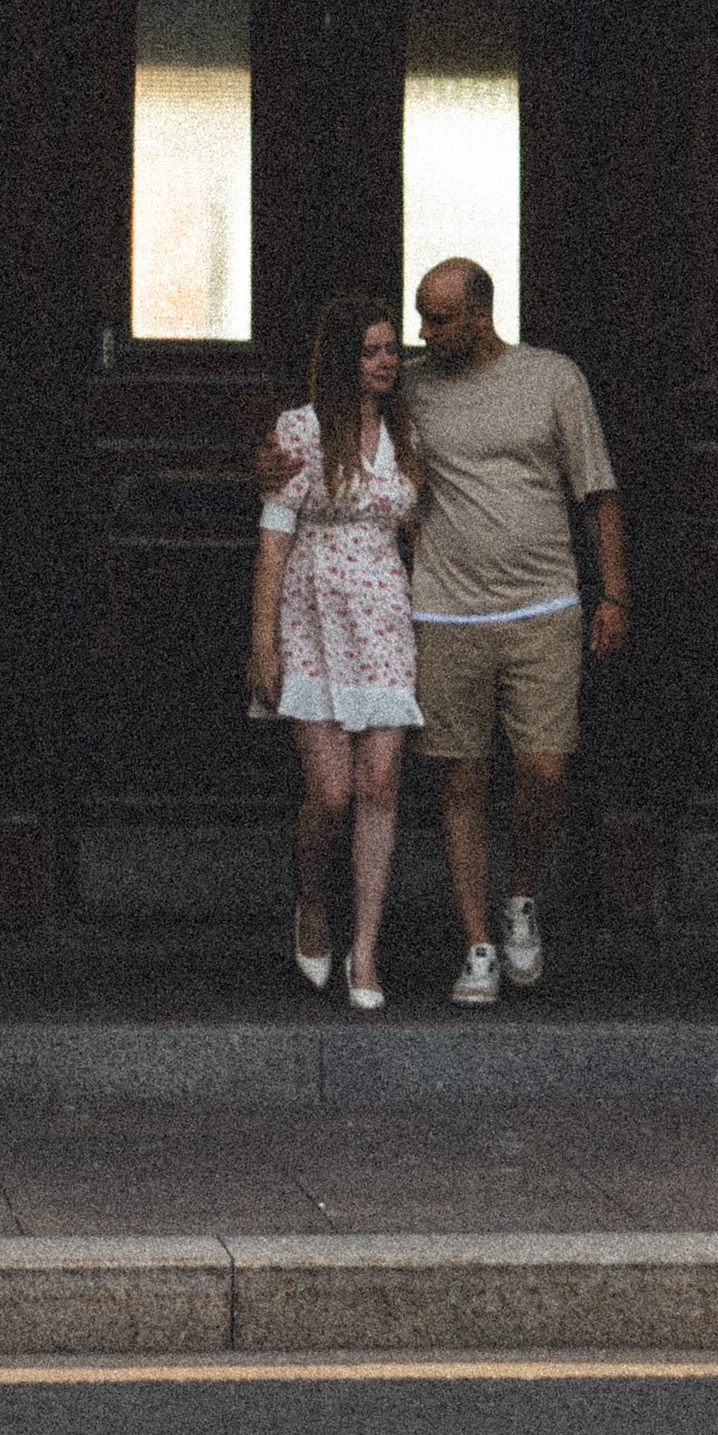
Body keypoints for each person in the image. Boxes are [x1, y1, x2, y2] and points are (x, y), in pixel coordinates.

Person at [267, 255, 628, 1005]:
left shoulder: (551, 379)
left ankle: (518, 895)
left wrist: (614, 594)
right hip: (438, 609)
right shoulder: (408, 389)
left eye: (436, 321)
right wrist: (267, 465)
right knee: (456, 778)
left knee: (543, 770)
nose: (419, 339)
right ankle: (476, 942)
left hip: (539, 605)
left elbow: (599, 491)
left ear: (480, 316)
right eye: (413, 325)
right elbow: (322, 432)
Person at [246, 294, 423, 1012]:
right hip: (312, 615)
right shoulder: (302, 428)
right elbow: (274, 540)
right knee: (332, 793)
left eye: (391, 350)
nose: (386, 362)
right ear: (344, 359)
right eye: (371, 351)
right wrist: (262, 645)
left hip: (385, 617)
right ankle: (313, 898)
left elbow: (417, 527)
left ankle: (366, 949)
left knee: (380, 784)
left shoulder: (408, 430)